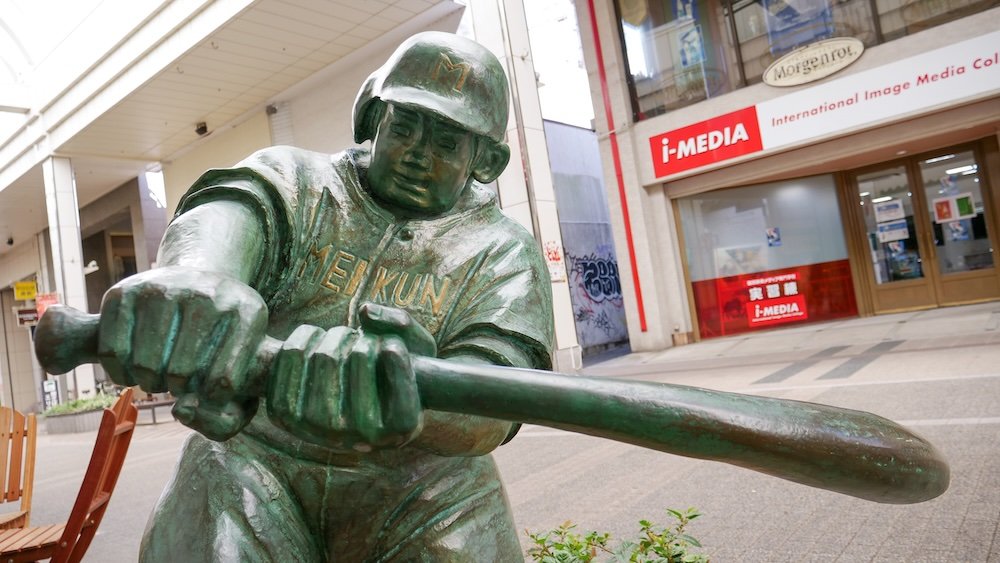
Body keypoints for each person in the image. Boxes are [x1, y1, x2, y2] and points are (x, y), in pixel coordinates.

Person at [96, 31, 553, 561]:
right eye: (402, 127)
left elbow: (500, 392)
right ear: (372, 117)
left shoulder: (503, 251)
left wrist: (422, 391)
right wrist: (199, 279)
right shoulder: (301, 182)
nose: (416, 155)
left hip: (426, 486)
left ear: (487, 160)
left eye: (447, 143)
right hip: (255, 459)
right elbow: (232, 211)